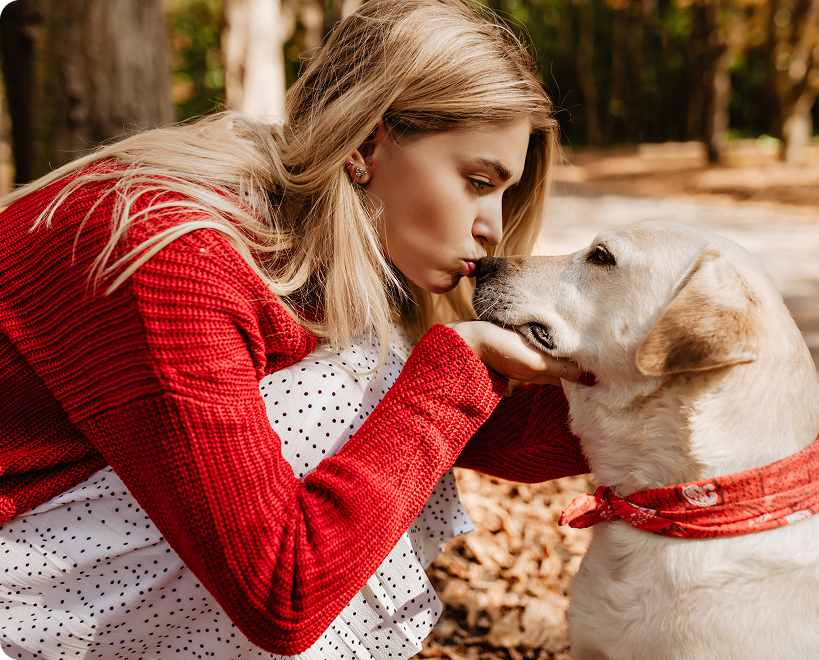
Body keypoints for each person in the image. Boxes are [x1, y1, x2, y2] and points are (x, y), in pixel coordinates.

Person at [0, 0, 590, 657]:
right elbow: (283, 594)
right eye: (478, 181)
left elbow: (487, 430)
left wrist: (676, 387)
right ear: (369, 141)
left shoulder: (320, 242)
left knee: (374, 379)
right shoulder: (176, 254)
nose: (492, 227)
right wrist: (456, 372)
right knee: (348, 397)